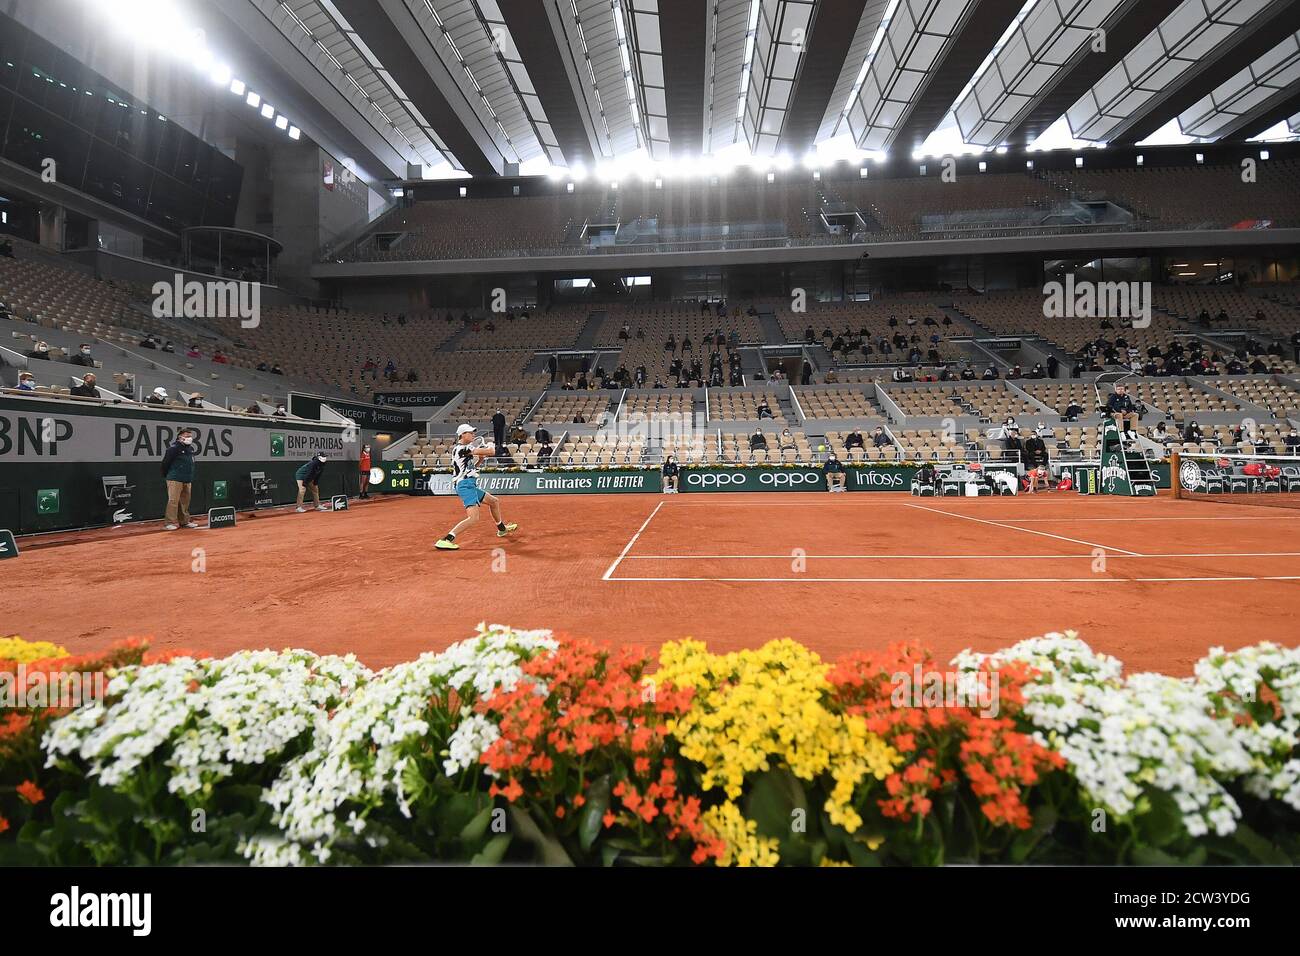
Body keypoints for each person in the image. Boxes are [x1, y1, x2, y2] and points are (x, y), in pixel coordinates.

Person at [435, 424, 518, 551]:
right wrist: (491, 445)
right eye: (471, 433)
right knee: (473, 518)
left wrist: (479, 460)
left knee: (493, 501)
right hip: (465, 485)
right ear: (463, 434)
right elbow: (492, 452)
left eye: (474, 433)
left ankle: (502, 529)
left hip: (469, 484)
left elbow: (470, 468)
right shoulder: (463, 448)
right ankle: (446, 539)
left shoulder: (462, 449)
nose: (473, 435)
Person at [161, 428, 201, 531]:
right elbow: (165, 463)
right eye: (187, 436)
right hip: (175, 479)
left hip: (187, 479)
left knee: (185, 502)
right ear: (180, 437)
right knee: (173, 501)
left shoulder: (190, 449)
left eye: (190, 436)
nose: (190, 438)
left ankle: (184, 521)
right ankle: (169, 523)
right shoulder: (173, 448)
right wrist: (168, 476)